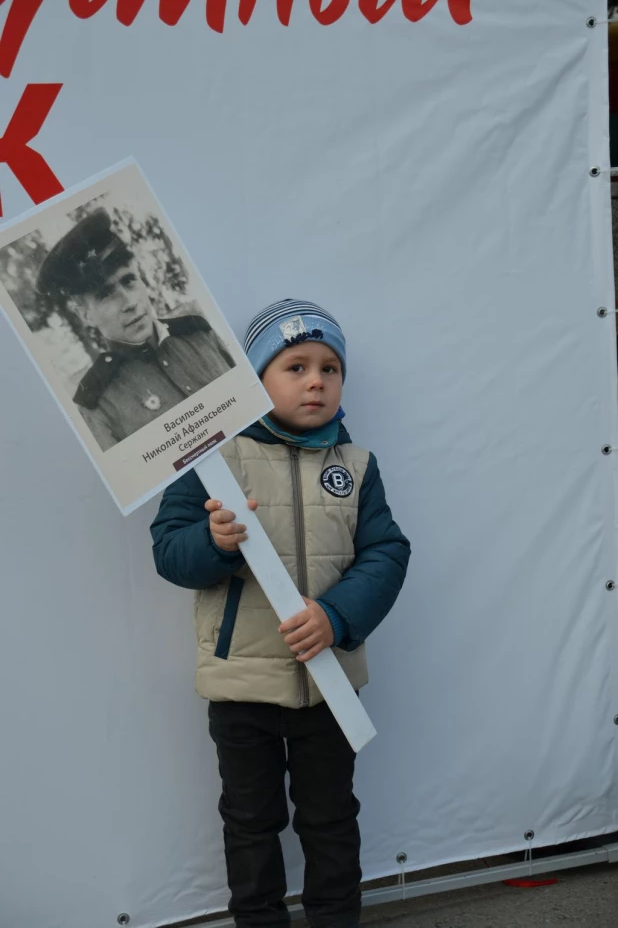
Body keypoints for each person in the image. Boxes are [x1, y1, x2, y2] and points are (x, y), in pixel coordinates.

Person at [150, 300, 410, 928]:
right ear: (255, 380)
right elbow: (168, 549)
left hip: (329, 687)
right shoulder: (214, 459)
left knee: (329, 820)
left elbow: (387, 552)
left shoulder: (357, 467)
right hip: (242, 690)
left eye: (329, 367)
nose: (316, 380)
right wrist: (212, 544)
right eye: (295, 366)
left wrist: (337, 617)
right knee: (250, 822)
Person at [36, 208, 235, 451]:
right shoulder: (98, 405)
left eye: (129, 280)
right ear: (85, 314)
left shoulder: (200, 333)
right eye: (105, 294)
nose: (129, 302)